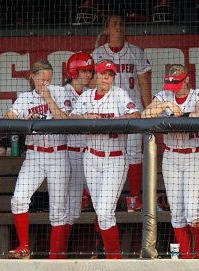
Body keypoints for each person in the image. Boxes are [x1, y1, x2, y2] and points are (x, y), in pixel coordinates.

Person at [70, 59, 140, 259]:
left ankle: (113, 259)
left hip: (115, 159)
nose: (105, 78)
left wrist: (110, 121)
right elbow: (71, 117)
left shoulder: (119, 94)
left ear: (113, 77)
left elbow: (135, 115)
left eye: (109, 74)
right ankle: (104, 253)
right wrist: (86, 117)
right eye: (102, 74)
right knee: (100, 209)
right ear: (96, 75)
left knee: (104, 210)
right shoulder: (87, 96)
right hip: (91, 157)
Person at [5, 59, 71, 259]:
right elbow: (8, 117)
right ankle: (24, 246)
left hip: (58, 154)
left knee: (58, 209)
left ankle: (55, 256)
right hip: (34, 155)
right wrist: (25, 121)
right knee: (18, 199)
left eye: (48, 80)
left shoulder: (60, 92)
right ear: (32, 77)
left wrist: (49, 98)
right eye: (42, 79)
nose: (45, 83)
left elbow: (66, 120)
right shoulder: (25, 97)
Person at [142, 64, 199, 259]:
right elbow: (145, 114)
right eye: (172, 84)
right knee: (177, 212)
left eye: (178, 83)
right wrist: (165, 105)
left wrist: (181, 116)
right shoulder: (164, 95)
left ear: (187, 79)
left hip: (194, 155)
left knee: (193, 212)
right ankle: (186, 257)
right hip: (171, 156)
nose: (175, 87)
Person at [92, 15, 151, 211]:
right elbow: (92, 86)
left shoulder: (135, 52)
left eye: (121, 24)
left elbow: (144, 83)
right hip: (107, 112)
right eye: (114, 24)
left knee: (135, 153)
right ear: (106, 29)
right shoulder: (97, 53)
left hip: (132, 109)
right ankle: (105, 199)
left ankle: (135, 198)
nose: (118, 27)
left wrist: (148, 109)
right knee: (106, 153)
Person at [61, 52, 95, 258]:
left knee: (102, 206)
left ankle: (100, 253)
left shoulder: (93, 95)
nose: (88, 75)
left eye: (90, 71)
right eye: (83, 70)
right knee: (71, 210)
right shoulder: (59, 92)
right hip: (71, 155)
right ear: (73, 71)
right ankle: (60, 255)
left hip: (92, 155)